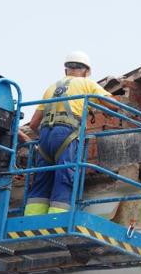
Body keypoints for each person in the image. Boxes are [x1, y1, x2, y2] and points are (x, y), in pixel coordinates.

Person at [20, 51, 117, 216]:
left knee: (41, 180)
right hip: (67, 134)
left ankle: (31, 219)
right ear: (86, 71)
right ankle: (56, 219)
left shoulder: (51, 88)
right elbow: (114, 106)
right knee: (65, 177)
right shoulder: (87, 84)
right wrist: (99, 104)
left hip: (44, 136)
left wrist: (47, 136)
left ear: (66, 70)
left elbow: (34, 123)